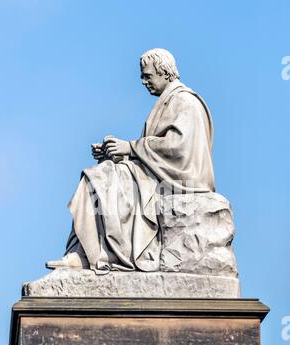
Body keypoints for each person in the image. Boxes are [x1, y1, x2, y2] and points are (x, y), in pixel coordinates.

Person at [46, 48, 215, 274]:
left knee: (101, 178)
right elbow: (156, 151)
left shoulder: (186, 101)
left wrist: (130, 147)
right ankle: (85, 251)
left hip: (180, 180)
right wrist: (117, 153)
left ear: (165, 72)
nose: (144, 82)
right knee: (101, 173)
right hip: (162, 175)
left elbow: (180, 149)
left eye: (148, 76)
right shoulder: (169, 101)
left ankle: (96, 254)